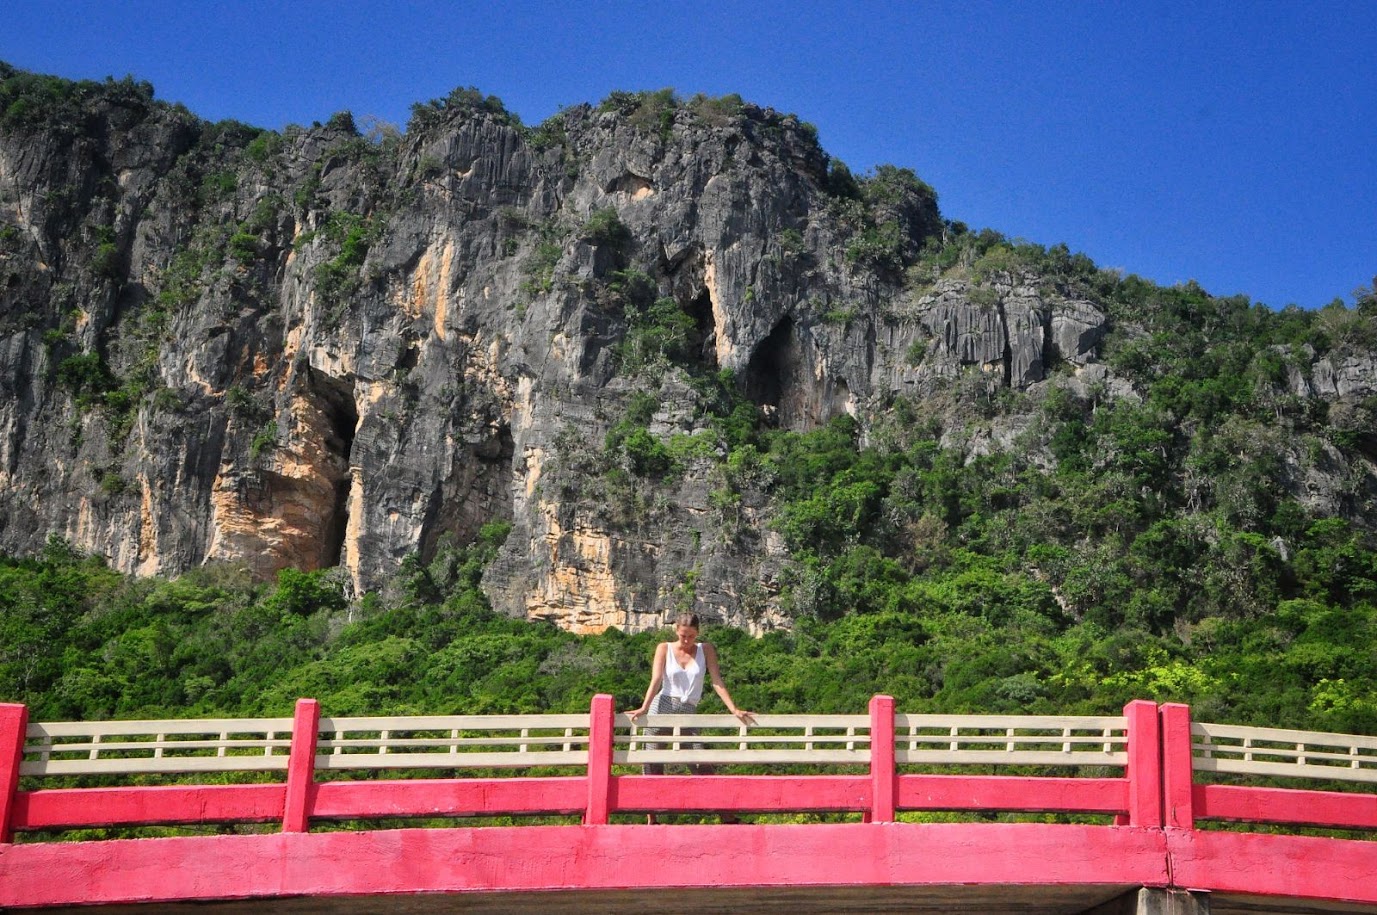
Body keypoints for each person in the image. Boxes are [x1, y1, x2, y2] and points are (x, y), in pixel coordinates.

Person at [627, 612, 755, 823]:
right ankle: (651, 820)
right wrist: (644, 707)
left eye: (691, 636)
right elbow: (656, 679)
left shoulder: (706, 650)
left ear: (698, 633)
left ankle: (727, 816)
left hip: (688, 711)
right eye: (683, 635)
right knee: (651, 763)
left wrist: (733, 709)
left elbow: (716, 681)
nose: (686, 641)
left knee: (700, 762)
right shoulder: (664, 648)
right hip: (663, 706)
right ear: (676, 630)